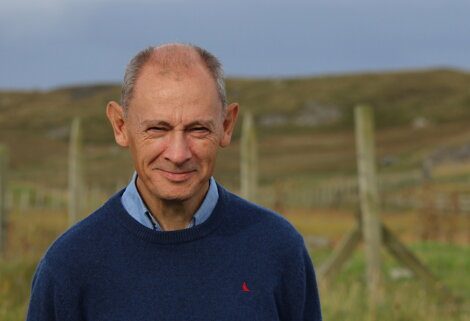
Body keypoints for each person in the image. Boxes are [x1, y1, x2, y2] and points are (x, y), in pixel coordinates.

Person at [26, 43, 322, 320]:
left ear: (226, 126)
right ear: (120, 126)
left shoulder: (277, 249)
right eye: (157, 128)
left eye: (197, 129)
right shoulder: (70, 266)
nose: (178, 154)